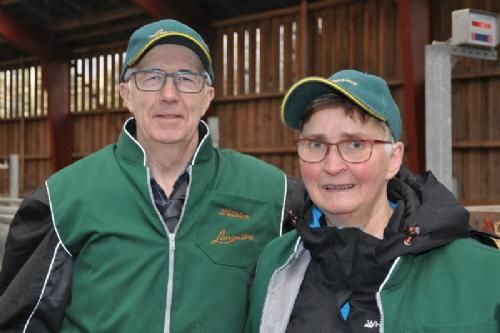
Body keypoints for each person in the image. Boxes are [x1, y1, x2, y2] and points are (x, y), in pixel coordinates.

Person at [0, 19, 303, 333]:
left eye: (186, 78)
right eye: (151, 77)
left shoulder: (273, 195)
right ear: (126, 94)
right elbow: (22, 322)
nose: (169, 93)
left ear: (207, 96)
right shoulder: (64, 199)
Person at [245, 69, 500, 333]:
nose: (332, 166)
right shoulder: (275, 264)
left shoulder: (483, 275)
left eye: (355, 144)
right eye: (316, 144)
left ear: (393, 159)